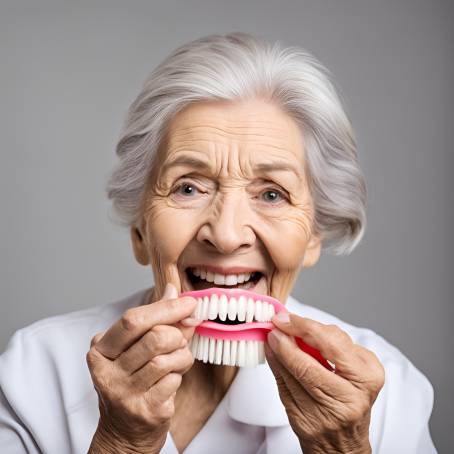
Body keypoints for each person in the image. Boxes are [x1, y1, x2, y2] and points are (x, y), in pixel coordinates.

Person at [0, 32, 437, 453]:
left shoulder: (389, 397)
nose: (226, 236)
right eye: (188, 188)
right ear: (140, 231)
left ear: (313, 236)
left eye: (271, 193)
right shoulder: (37, 372)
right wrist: (121, 444)